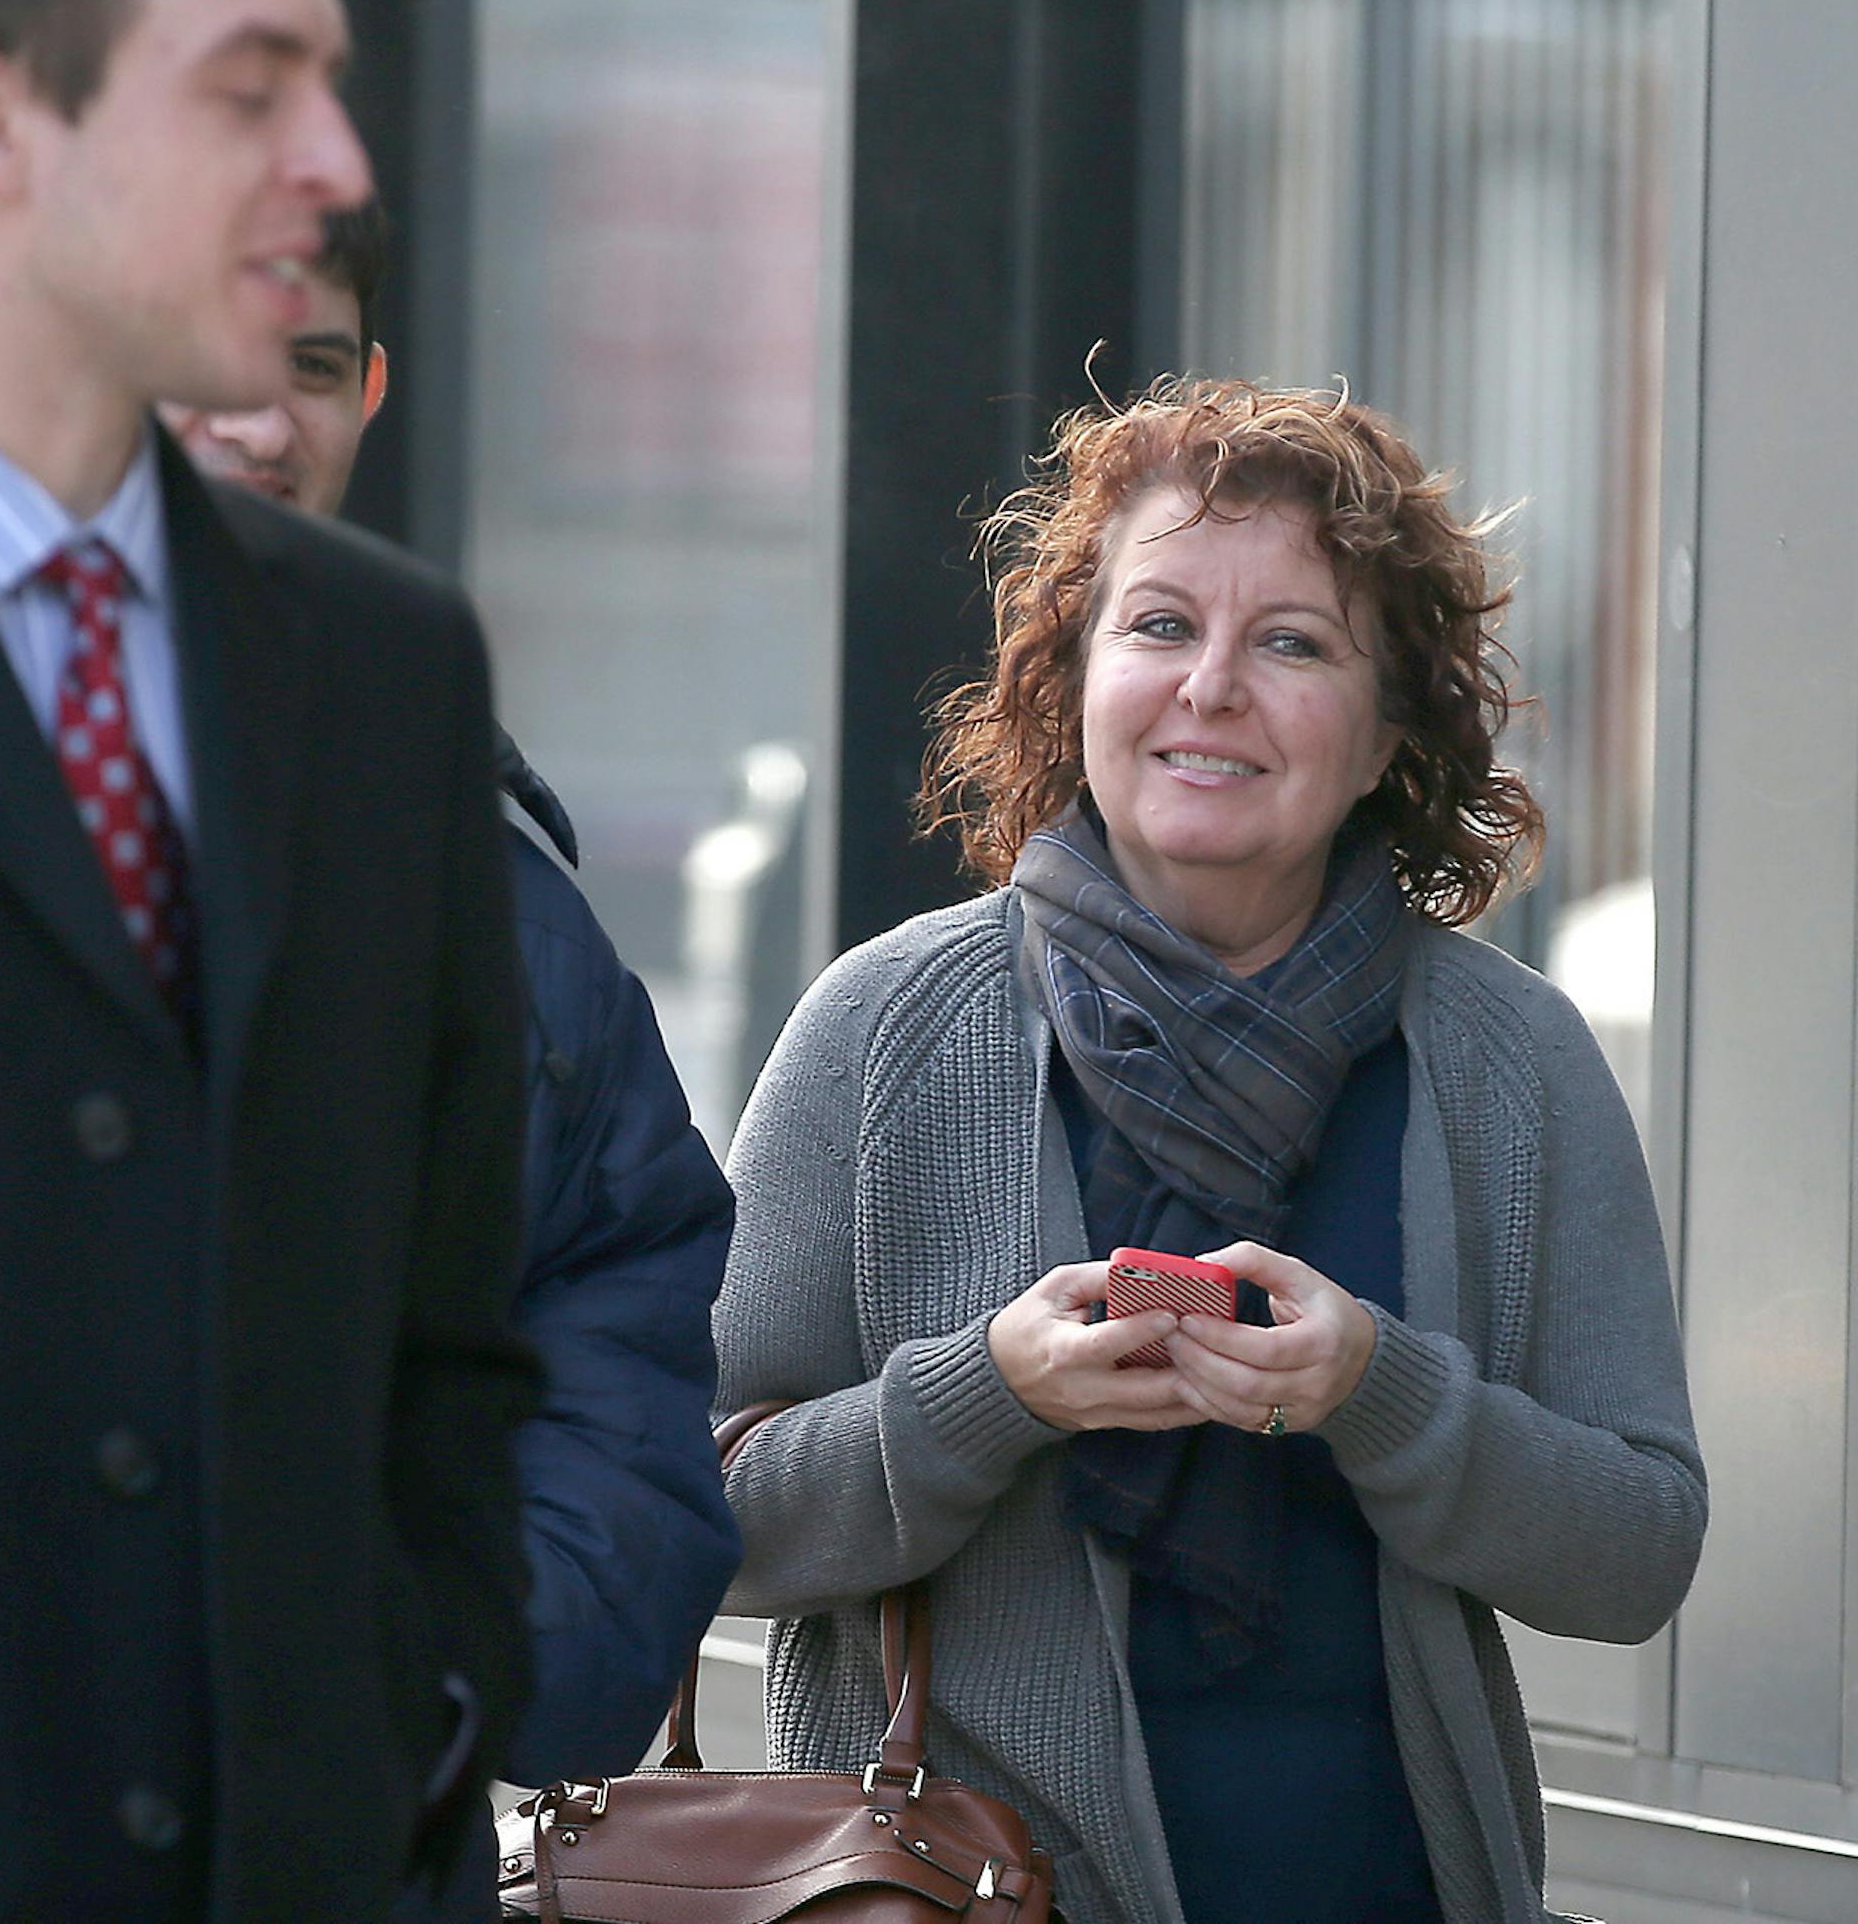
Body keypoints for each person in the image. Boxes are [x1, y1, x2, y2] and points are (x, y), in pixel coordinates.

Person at [0, 0, 536, 1919]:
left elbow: (449, 1359)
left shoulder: (389, 671)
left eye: (328, 82)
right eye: (253, 88)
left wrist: (408, 1711)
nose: (338, 161)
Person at [713, 378, 1707, 1924]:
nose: (1212, 688)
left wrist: (1382, 1393)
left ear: (1390, 737)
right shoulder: (883, 1029)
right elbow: (686, 1514)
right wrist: (987, 1394)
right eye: (1160, 625)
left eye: (1295, 642)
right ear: (1075, 681)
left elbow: (1638, 1553)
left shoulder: (1514, 1065)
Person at [160, 207, 743, 1899]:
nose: (262, 420)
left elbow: (619, 1407)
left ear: (374, 391)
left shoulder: (504, 918)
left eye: (311, 366)